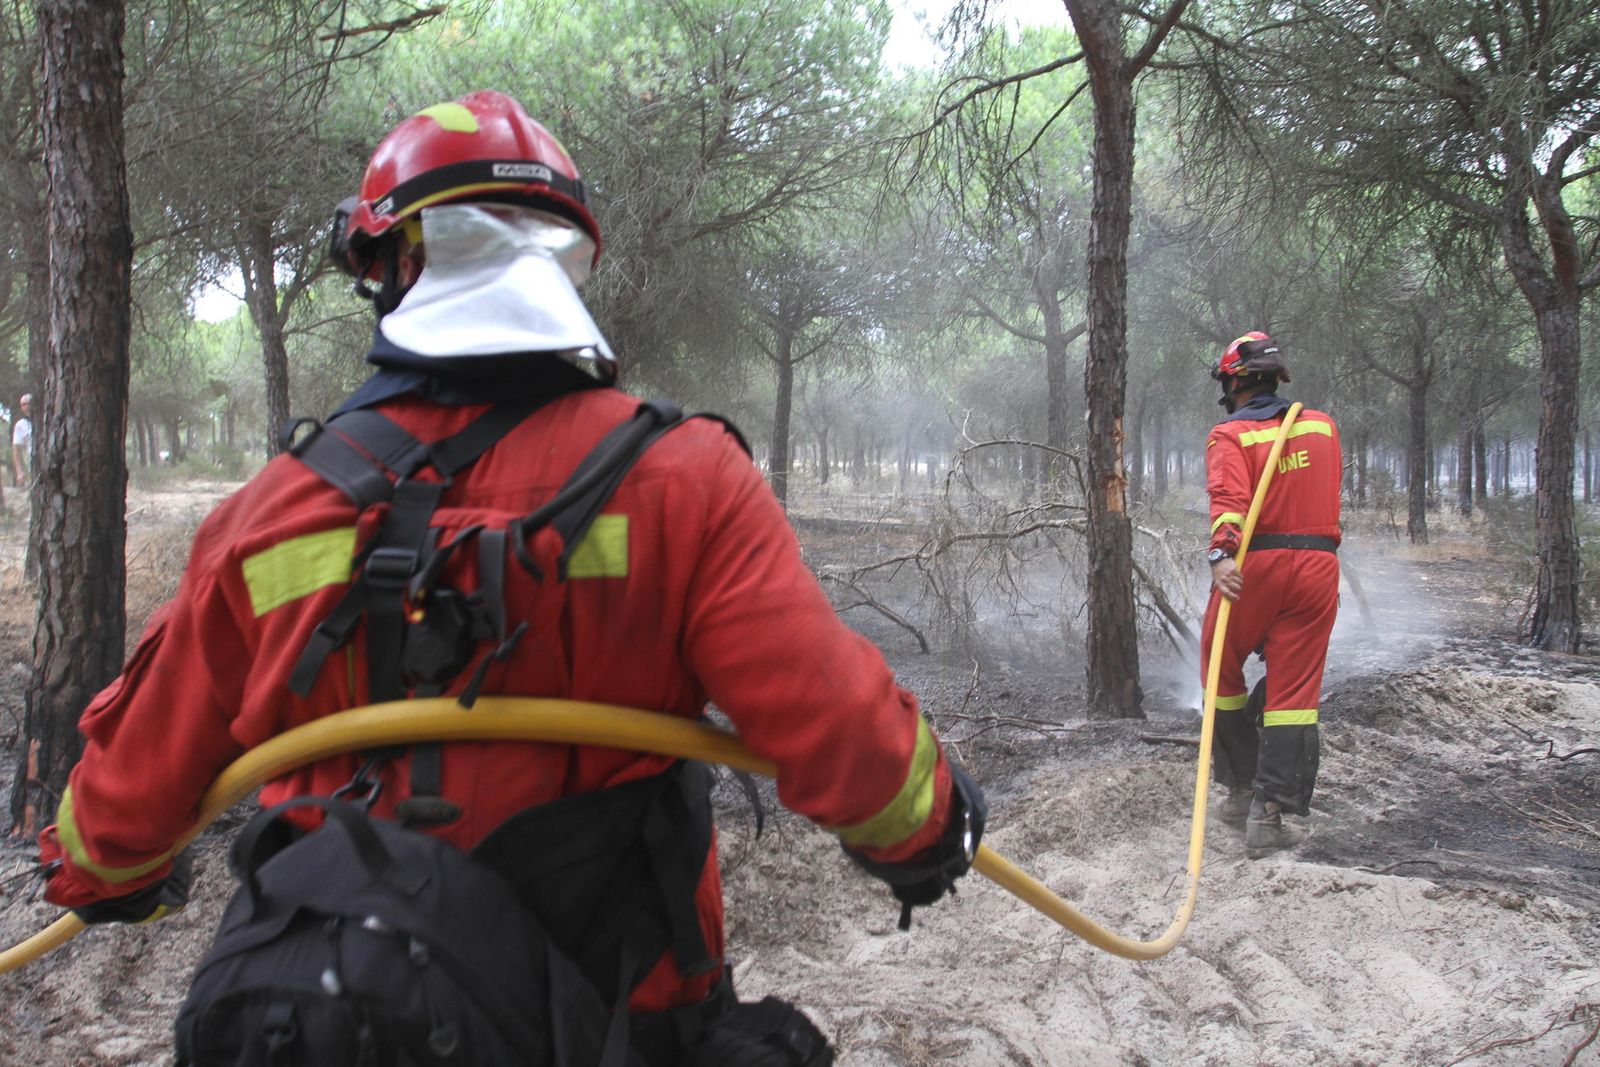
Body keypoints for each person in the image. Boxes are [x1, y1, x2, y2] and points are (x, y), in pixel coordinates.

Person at [35, 91, 984, 1063]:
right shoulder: (685, 480)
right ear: (569, 264)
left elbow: (117, 810)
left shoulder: (270, 516)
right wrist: (926, 828)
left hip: (324, 1020)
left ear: (393, 263)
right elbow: (837, 726)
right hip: (616, 1023)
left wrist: (107, 876)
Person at [1201, 331, 1341, 859]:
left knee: (1218, 665)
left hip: (1254, 566)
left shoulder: (1229, 435)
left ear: (1233, 382)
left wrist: (1222, 554)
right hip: (1318, 569)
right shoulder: (1325, 427)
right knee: (1294, 694)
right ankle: (1269, 814)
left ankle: (1239, 789)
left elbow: (1229, 498)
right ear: (1277, 376)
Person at [12, 392, 31, 487]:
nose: (27, 406)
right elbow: (16, 450)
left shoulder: (47, 418)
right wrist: (19, 471)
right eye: (24, 404)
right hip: (33, 467)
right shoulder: (20, 425)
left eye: (29, 403)